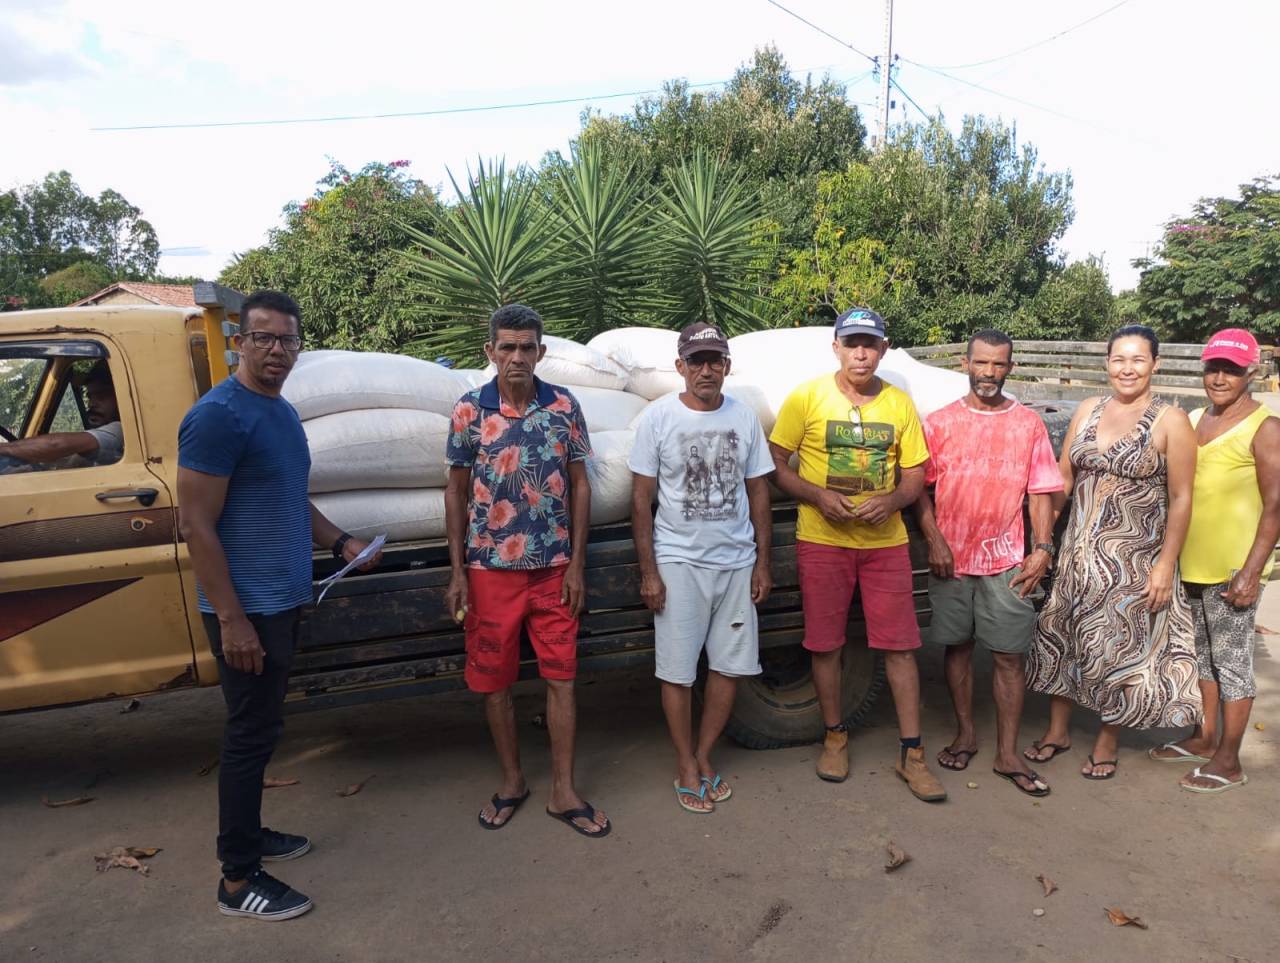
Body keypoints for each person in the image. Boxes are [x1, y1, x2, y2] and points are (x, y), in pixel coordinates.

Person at [178, 290, 381, 920]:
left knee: (264, 730)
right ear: (239, 341)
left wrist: (340, 541)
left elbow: (290, 499)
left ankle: (251, 835)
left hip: (281, 599)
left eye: (287, 340)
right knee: (248, 734)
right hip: (248, 609)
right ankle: (237, 880)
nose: (276, 350)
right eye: (262, 338)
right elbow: (196, 524)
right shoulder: (219, 415)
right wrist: (233, 619)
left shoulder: (282, 413)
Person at [443, 303, 609, 838]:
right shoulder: (470, 411)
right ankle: (513, 781)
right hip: (490, 570)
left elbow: (581, 483)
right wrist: (457, 571)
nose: (517, 356)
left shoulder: (563, 405)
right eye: (507, 347)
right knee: (495, 680)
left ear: (542, 352)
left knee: (561, 676)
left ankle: (563, 790)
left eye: (527, 347)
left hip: (554, 568)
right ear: (489, 351)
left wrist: (578, 564)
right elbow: (456, 490)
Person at [768, 306, 946, 802]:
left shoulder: (899, 404)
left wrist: (892, 500)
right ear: (836, 348)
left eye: (870, 344)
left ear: (884, 350)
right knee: (825, 644)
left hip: (885, 543)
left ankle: (912, 754)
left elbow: (915, 474)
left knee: (901, 647)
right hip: (821, 540)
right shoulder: (807, 397)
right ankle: (834, 736)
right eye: (852, 343)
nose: (861, 352)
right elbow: (775, 462)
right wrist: (817, 495)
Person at [1025, 325, 1202, 780]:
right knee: (1060, 635)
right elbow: (1064, 475)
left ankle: (1107, 741)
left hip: (1134, 559)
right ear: (1107, 363)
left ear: (1155, 365)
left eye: (1138, 359)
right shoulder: (1088, 408)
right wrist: (1046, 537)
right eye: (1119, 359)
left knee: (1119, 647)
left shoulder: (1171, 420)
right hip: (1076, 554)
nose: (1127, 368)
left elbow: (1182, 497)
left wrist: (1166, 564)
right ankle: (1058, 730)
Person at [629, 322, 774, 813]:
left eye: (715, 360)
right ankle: (685, 762)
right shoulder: (657, 419)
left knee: (730, 667)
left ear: (728, 367)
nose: (706, 370)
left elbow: (759, 491)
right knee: (677, 671)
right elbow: (641, 499)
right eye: (697, 361)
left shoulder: (744, 417)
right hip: (679, 561)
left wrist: (762, 562)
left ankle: (705, 755)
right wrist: (649, 572)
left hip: (736, 561)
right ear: (680, 368)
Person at [914, 330, 1063, 797]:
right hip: (952, 560)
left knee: (1007, 656)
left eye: (999, 365)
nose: (989, 373)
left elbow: (1040, 491)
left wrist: (1041, 549)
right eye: (982, 363)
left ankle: (1007, 751)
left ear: (1010, 368)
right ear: (966, 363)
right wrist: (935, 541)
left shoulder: (1027, 425)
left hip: (1006, 560)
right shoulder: (939, 424)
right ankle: (966, 733)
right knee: (956, 647)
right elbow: (919, 488)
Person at [1148, 328, 1279, 793]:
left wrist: (1250, 571)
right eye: (1213, 368)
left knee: (1233, 663)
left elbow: (1275, 505)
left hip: (1231, 570)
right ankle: (1206, 739)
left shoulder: (1265, 428)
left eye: (1232, 369)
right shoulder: (1195, 418)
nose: (1220, 377)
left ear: (1251, 373)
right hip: (1192, 563)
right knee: (1203, 657)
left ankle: (1229, 760)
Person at [1, 360, 123, 468]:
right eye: (90, 397)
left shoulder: (119, 429)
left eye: (101, 396)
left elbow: (55, 445)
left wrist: (4, 448)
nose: (92, 404)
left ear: (121, 397)